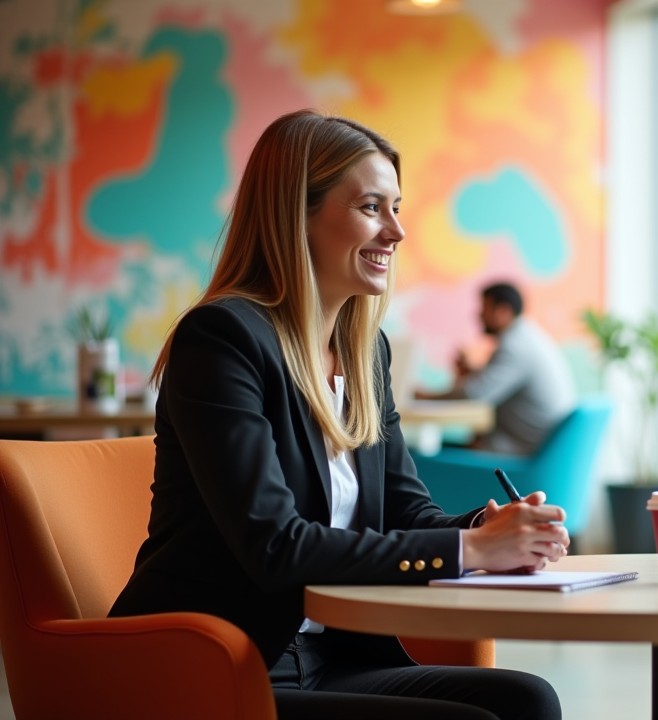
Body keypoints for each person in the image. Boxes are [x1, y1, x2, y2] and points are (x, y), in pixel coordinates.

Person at [109, 109, 569, 720]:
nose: (397, 232)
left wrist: (489, 525)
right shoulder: (222, 340)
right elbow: (275, 547)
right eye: (372, 208)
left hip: (331, 659)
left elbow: (407, 510)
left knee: (527, 700)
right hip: (222, 668)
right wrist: (470, 550)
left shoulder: (365, 351)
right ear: (296, 214)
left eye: (396, 207)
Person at [416, 281, 575, 455]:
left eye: (484, 308)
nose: (479, 315)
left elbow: (475, 393)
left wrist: (425, 396)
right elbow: (491, 384)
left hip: (525, 454)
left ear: (503, 311)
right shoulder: (527, 337)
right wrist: (471, 372)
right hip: (541, 450)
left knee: (422, 456)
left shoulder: (514, 346)